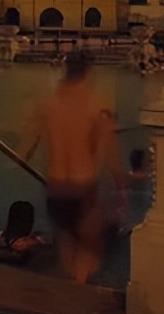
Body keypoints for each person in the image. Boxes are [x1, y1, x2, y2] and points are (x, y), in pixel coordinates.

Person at [19, 52, 125, 284]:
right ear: (89, 72)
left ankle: (68, 289)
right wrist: (121, 186)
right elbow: (110, 152)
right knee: (90, 255)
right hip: (83, 189)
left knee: (67, 254)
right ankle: (80, 291)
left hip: (56, 190)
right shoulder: (98, 104)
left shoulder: (46, 104)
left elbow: (24, 151)